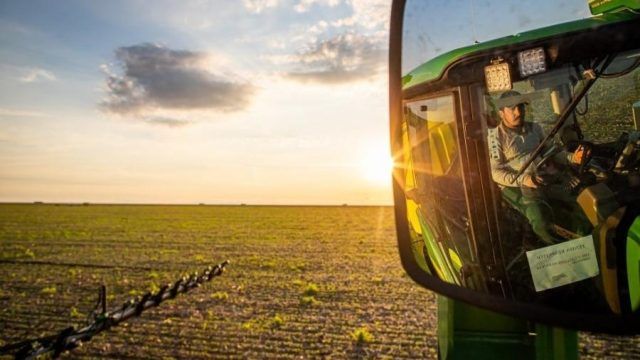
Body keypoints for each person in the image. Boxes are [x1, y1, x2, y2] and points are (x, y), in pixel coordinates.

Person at [487, 90, 586, 245]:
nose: (518, 112)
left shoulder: (535, 129)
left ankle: (586, 242)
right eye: (512, 108)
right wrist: (524, 179)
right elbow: (496, 172)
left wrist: (572, 157)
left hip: (543, 175)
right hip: (516, 186)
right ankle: (559, 252)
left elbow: (552, 152)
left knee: (581, 203)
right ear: (501, 113)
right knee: (541, 220)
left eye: (520, 107)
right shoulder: (494, 137)